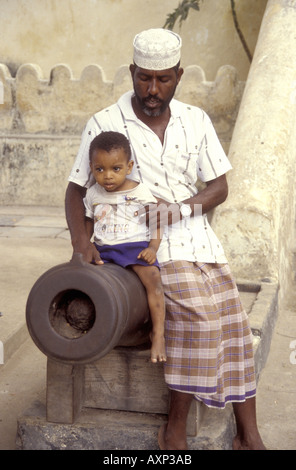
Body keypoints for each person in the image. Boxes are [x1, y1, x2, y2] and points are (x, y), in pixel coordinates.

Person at [65, 28, 265, 450]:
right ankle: (174, 431)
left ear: (179, 75)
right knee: (202, 322)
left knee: (236, 325)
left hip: (201, 241)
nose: (152, 89)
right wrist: (82, 249)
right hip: (147, 248)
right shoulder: (104, 122)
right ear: (132, 71)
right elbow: (76, 190)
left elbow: (219, 187)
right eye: (144, 78)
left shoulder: (196, 119)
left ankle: (249, 435)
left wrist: (182, 207)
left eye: (163, 79)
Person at [84, 131, 166, 363]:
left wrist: (152, 247)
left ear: (129, 166)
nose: (107, 176)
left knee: (153, 279)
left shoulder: (139, 192)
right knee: (88, 281)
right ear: (92, 167)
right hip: (104, 249)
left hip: (133, 247)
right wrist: (86, 246)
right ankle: (99, 329)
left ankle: (158, 333)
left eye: (115, 169)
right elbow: (88, 221)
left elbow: (156, 222)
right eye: (100, 170)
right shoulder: (92, 194)